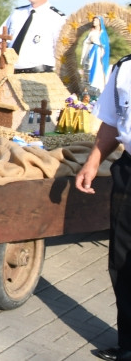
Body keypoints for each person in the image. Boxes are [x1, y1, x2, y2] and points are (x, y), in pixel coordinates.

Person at [75, 54, 131, 361]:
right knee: (122, 261)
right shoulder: (124, 68)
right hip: (129, 172)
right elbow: (112, 122)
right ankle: (129, 345)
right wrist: (93, 161)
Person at [83, 15, 112, 98]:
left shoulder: (102, 33)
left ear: (100, 22)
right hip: (91, 53)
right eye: (93, 20)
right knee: (89, 69)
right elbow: (86, 42)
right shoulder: (91, 32)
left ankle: (98, 89)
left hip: (99, 54)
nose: (94, 22)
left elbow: (105, 45)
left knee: (98, 71)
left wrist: (98, 43)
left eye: (96, 20)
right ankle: (89, 90)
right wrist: (90, 41)